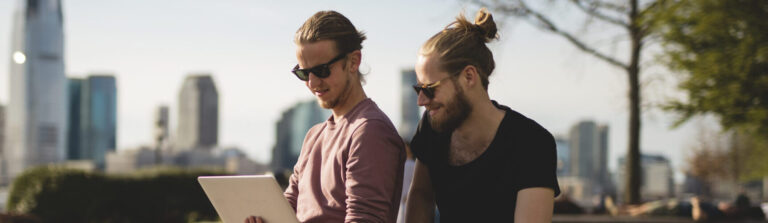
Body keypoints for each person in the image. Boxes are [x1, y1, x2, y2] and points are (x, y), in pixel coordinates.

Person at [246, 10, 406, 223]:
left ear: (353, 61)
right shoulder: (314, 135)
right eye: (304, 73)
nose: (312, 83)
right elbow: (288, 207)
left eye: (321, 70)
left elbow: (364, 218)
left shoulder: (369, 131)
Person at [405, 8, 561, 223]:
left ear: (469, 76)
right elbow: (421, 196)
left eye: (430, 89)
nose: (421, 100)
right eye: (418, 89)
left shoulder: (531, 143)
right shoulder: (432, 128)